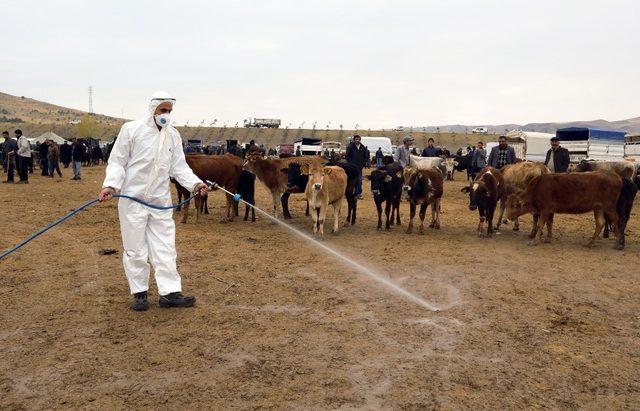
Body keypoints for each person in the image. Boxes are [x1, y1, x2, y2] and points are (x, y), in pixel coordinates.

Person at [98, 91, 209, 312]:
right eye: (162, 110)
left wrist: (195, 184)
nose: (166, 115)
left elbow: (179, 167)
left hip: (160, 201)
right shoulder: (131, 130)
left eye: (169, 111)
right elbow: (118, 161)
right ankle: (139, 293)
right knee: (135, 248)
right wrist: (111, 184)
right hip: (133, 200)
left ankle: (170, 293)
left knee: (165, 247)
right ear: (153, 111)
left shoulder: (173, 135)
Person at [345, 134, 369, 198]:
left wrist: (363, 164)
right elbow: (347, 156)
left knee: (359, 180)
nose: (357, 140)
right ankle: (348, 193)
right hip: (351, 168)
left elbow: (366, 157)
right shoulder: (350, 147)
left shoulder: (363, 148)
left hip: (359, 168)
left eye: (359, 139)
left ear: (360, 140)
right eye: (356, 139)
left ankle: (358, 194)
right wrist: (350, 164)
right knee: (350, 180)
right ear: (354, 140)